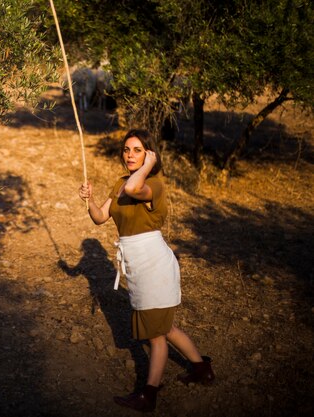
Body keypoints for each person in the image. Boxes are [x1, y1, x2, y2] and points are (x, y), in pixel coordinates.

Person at [78, 129, 215, 412]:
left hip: (154, 264)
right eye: (127, 149)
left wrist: (149, 165)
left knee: (156, 334)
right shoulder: (120, 183)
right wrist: (88, 199)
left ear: (149, 154)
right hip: (136, 266)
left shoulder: (153, 184)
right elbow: (100, 218)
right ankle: (202, 369)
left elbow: (133, 190)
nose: (130, 155)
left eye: (138, 150)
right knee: (165, 327)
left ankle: (149, 394)